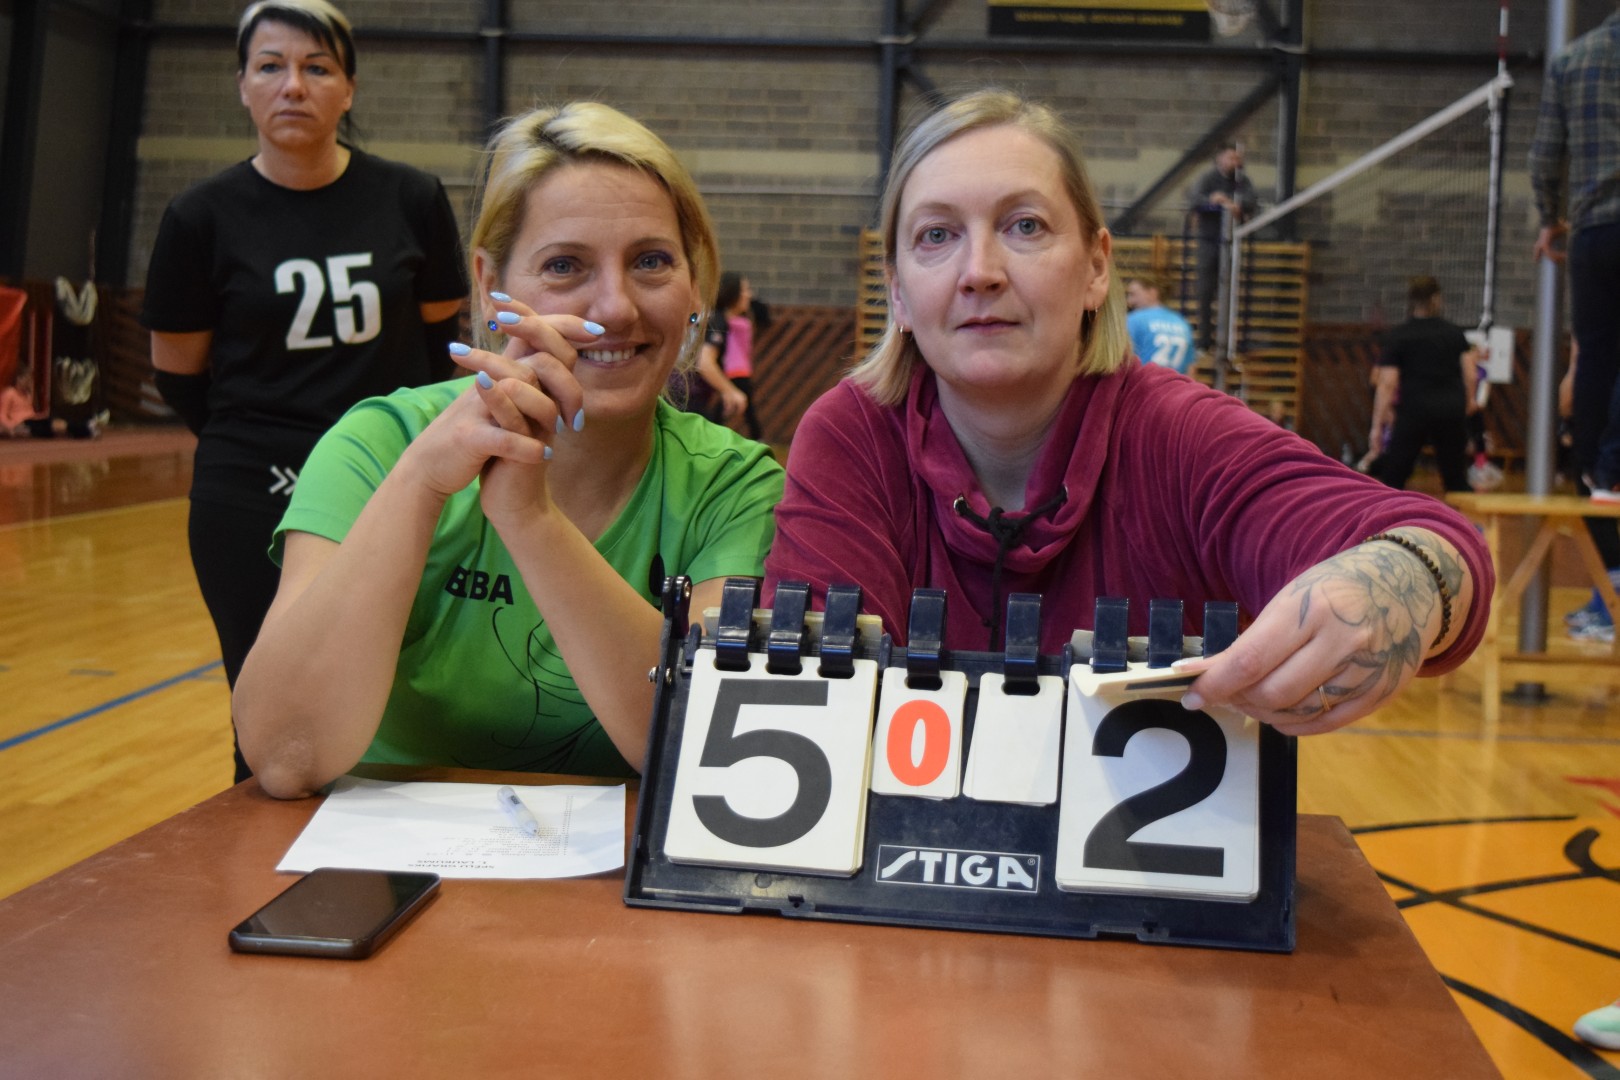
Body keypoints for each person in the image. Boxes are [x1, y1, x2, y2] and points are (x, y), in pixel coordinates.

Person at [765, 89, 1492, 738]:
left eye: (1025, 226)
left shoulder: (1178, 435)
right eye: (936, 235)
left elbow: (1439, 546)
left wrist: (1397, 579)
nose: (979, 271)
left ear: (1096, 267)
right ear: (897, 292)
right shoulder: (852, 435)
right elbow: (813, 714)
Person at [232, 101, 785, 799]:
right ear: (491, 285)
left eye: (651, 261)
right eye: (565, 265)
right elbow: (285, 757)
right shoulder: (379, 445)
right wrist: (420, 485)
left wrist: (531, 521)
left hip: (616, 868)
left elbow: (704, 750)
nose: (616, 307)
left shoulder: (735, 487)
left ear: (695, 283)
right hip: (385, 858)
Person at [141, 0, 469, 783]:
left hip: (390, 477)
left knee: (400, 694)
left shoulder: (411, 199)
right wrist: (262, 443)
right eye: (271, 66)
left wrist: (380, 446)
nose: (293, 85)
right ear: (243, 86)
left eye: (317, 68)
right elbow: (179, 375)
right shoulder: (199, 218)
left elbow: (441, 353)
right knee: (270, 717)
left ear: (348, 89)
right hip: (250, 487)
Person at [1531, 3, 1620, 503]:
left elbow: (1545, 154)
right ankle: (1610, 468)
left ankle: (1587, 469)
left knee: (1595, 355)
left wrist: (1549, 218)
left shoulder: (1571, 59)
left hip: (1592, 230)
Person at [1367, 276, 1478, 494]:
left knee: (1394, 478)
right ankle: (1464, 515)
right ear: (1437, 299)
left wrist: (1377, 427)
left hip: (1414, 410)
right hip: (1450, 408)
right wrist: (1469, 402)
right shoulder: (1454, 333)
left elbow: (1387, 383)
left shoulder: (1399, 336)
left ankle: (1391, 514)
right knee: (1456, 480)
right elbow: (1471, 374)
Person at [1186, 141, 1258, 351]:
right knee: (1205, 291)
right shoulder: (1208, 178)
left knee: (1229, 291)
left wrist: (1235, 204)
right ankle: (1204, 340)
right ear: (1220, 159)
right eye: (1231, 157)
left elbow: (1251, 201)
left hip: (1232, 242)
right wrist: (1213, 199)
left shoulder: (1242, 180)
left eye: (1237, 158)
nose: (1235, 162)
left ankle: (1227, 340)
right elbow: (1195, 200)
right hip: (1208, 242)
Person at [698, 271, 765, 440]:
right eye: (745, 290)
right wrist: (730, 391)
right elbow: (704, 362)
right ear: (733, 293)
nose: (749, 295)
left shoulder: (721, 319)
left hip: (703, 393)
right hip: (689, 395)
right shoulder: (718, 320)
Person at [1125, 274, 1195, 374]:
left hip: (1146, 381)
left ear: (1152, 292)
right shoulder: (1182, 322)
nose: (1129, 301)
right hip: (1176, 382)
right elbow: (1190, 366)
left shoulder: (1134, 320)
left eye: (1133, 295)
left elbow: (1123, 360)